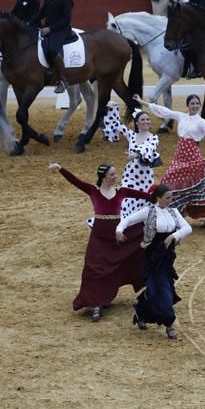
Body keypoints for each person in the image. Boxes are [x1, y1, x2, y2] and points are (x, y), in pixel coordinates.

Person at [47, 162, 149, 322]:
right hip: (99, 236)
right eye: (112, 175)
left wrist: (161, 198)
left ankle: (104, 297)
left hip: (116, 234)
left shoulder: (122, 191)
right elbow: (74, 180)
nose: (116, 177)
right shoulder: (93, 190)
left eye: (115, 174)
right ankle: (96, 304)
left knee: (116, 266)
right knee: (94, 268)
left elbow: (147, 196)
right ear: (104, 177)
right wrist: (60, 168)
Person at [134, 93, 205, 227]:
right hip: (179, 157)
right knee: (169, 182)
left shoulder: (201, 121)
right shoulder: (182, 116)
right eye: (192, 103)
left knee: (200, 187)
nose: (195, 106)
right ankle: (174, 214)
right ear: (187, 106)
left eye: (197, 103)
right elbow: (164, 111)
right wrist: (142, 102)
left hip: (193, 157)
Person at [115, 184, 192, 339]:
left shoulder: (173, 212)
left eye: (171, 197)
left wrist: (173, 236)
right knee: (163, 291)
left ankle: (141, 313)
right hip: (153, 257)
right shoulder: (148, 212)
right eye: (167, 197)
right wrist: (118, 230)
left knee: (158, 289)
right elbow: (127, 220)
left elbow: (187, 228)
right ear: (158, 198)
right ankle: (170, 325)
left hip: (167, 257)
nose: (171, 200)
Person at [102, 101, 162, 218]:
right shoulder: (131, 135)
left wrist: (135, 154)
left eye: (147, 119)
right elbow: (116, 124)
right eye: (143, 119)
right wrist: (113, 108)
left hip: (145, 178)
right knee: (124, 201)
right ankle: (120, 225)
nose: (146, 122)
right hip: (130, 176)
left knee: (144, 203)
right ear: (137, 122)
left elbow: (149, 148)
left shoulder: (154, 138)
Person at [36, 0, 75, 94]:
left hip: (61, 29)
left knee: (52, 49)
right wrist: (29, 23)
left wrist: (50, 29)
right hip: (48, 27)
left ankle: (64, 79)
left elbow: (66, 19)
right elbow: (43, 11)